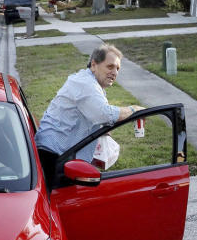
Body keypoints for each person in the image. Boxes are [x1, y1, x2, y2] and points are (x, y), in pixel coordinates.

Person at [35, 44, 141, 178]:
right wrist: (134, 109)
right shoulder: (85, 83)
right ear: (94, 65)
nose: (115, 72)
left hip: (60, 154)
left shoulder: (92, 83)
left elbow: (96, 115)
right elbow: (104, 114)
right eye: (110, 66)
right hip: (52, 157)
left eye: (118, 68)